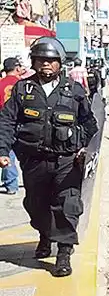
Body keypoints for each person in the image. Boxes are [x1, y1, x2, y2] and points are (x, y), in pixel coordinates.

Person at [0, 37, 98, 277]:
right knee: (37, 205)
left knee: (68, 204)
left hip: (66, 161)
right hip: (33, 160)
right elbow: (7, 121)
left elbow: (90, 123)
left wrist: (84, 149)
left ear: (60, 64)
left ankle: (64, 253)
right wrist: (3, 151)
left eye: (51, 61)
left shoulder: (73, 91)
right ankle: (45, 236)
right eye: (41, 60)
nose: (46, 64)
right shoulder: (23, 90)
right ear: (33, 62)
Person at [0, 57, 25, 194]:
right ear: (16, 69)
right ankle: (12, 183)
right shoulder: (22, 84)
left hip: (4, 121)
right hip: (20, 122)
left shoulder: (1, 83)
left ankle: (10, 183)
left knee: (6, 152)